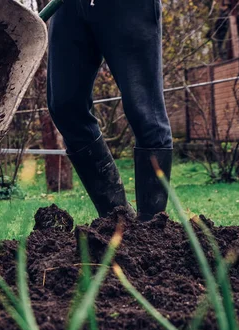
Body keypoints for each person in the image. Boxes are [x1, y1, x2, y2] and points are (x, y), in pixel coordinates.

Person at [47, 0, 173, 221]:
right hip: (68, 6)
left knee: (143, 110)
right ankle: (117, 218)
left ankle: (152, 232)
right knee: (64, 105)